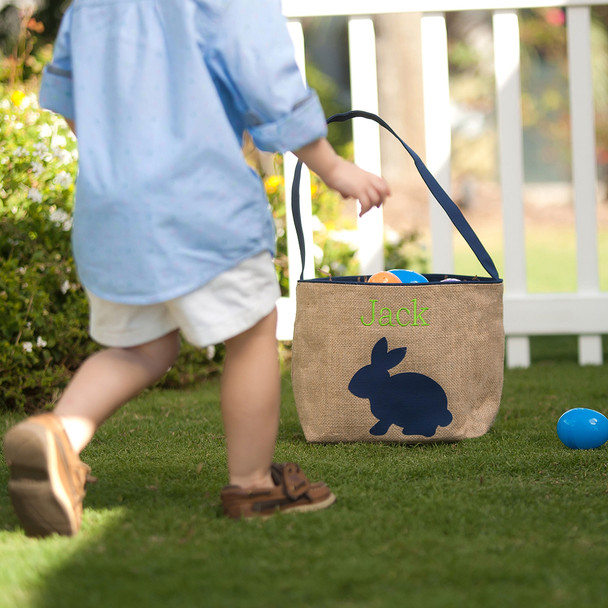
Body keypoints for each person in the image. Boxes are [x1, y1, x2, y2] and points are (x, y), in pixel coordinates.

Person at [3, 0, 390, 536]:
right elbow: (266, 76)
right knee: (253, 329)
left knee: (140, 348)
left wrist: (119, 161)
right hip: (202, 203)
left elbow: (69, 93)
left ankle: (59, 435)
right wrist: (332, 165)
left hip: (113, 207)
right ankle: (253, 483)